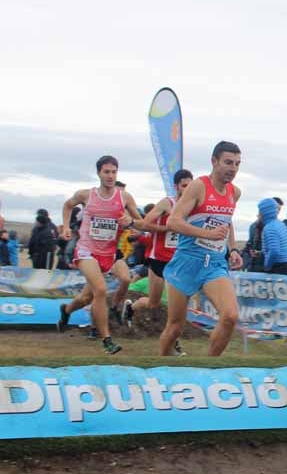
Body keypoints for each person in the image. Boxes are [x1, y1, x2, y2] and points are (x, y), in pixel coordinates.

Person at [158, 141, 245, 357]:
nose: (232, 168)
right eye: (227, 162)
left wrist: (233, 249)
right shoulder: (198, 186)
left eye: (237, 164)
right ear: (214, 161)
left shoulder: (235, 192)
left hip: (214, 264)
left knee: (230, 316)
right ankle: (159, 367)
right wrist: (207, 234)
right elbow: (173, 222)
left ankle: (209, 366)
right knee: (176, 326)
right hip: (187, 260)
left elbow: (227, 221)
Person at [57, 155, 144, 355]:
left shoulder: (125, 197)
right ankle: (106, 339)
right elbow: (67, 205)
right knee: (101, 290)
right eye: (106, 172)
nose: (111, 176)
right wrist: (66, 228)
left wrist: (129, 221)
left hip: (109, 254)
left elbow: (141, 225)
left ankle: (67, 311)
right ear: (99, 173)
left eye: (114, 172)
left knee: (87, 297)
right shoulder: (86, 195)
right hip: (87, 251)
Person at [125, 170, 194, 351]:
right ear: (176, 186)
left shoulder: (193, 206)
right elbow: (146, 224)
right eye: (184, 186)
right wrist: (165, 228)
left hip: (179, 261)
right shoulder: (166, 203)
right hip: (158, 260)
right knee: (154, 303)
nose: (187, 190)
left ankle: (174, 342)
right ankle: (131, 307)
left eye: (190, 186)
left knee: (176, 307)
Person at [259, 197, 287, 275]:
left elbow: (274, 250)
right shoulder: (281, 224)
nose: (258, 214)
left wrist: (267, 265)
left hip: (278, 265)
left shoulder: (270, 227)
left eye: (260, 211)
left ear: (265, 212)